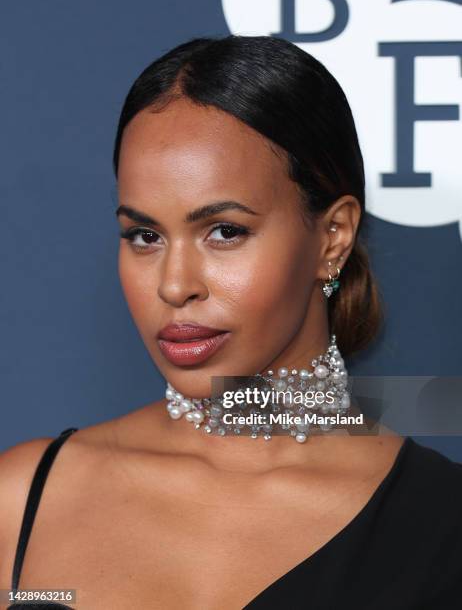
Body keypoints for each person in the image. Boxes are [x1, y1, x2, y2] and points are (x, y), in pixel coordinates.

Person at [1, 35, 461, 610]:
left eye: (224, 232)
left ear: (333, 238)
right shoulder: (23, 498)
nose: (174, 285)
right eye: (144, 236)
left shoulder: (444, 526)